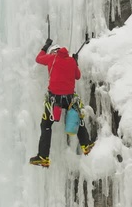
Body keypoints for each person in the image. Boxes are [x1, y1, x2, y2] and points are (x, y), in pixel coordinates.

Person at [29, 38, 95, 168]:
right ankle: (86, 144)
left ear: (54, 52)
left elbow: (38, 58)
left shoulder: (51, 59)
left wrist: (45, 46)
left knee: (46, 125)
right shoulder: (70, 60)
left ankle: (43, 156)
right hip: (69, 99)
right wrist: (75, 62)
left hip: (55, 100)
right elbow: (77, 76)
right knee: (78, 118)